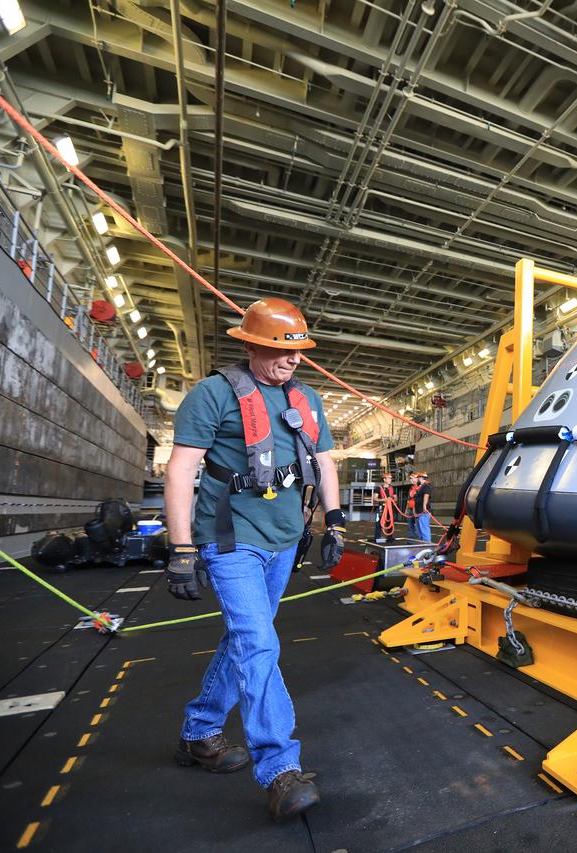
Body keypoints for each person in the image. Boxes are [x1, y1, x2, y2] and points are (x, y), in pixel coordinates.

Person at [164, 297, 345, 823]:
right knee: (259, 641)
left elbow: (327, 461)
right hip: (230, 538)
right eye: (278, 350)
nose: (291, 361)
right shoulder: (213, 395)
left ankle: (199, 733)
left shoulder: (306, 398)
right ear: (250, 344)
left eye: (297, 352)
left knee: (246, 637)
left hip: (284, 538)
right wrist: (179, 549)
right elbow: (181, 472)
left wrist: (332, 522)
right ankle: (280, 769)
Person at [374, 470, 397, 543]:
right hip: (381, 508)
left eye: (391, 478)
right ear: (384, 479)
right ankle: (377, 537)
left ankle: (390, 537)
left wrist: (391, 499)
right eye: (389, 478)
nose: (390, 479)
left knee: (390, 522)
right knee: (379, 523)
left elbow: (396, 498)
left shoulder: (392, 488)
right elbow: (375, 498)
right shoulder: (379, 488)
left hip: (390, 508)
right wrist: (384, 499)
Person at [413, 472, 433, 542]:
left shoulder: (426, 486)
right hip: (419, 513)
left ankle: (427, 546)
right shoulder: (420, 487)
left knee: (424, 530)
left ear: (420, 478)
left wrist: (424, 506)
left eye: (417, 478)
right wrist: (415, 511)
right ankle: (422, 545)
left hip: (423, 512)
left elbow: (426, 495)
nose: (417, 479)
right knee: (420, 532)